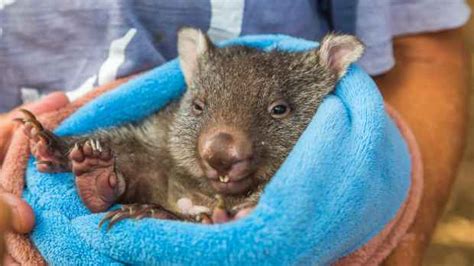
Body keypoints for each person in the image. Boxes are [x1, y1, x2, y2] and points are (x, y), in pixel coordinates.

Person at [0, 0, 471, 264]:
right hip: (134, 178)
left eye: (279, 110)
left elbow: (422, 51)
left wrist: (387, 245)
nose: (224, 144)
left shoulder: (322, 98)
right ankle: (114, 183)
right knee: (130, 152)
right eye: (203, 108)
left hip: (255, 199)